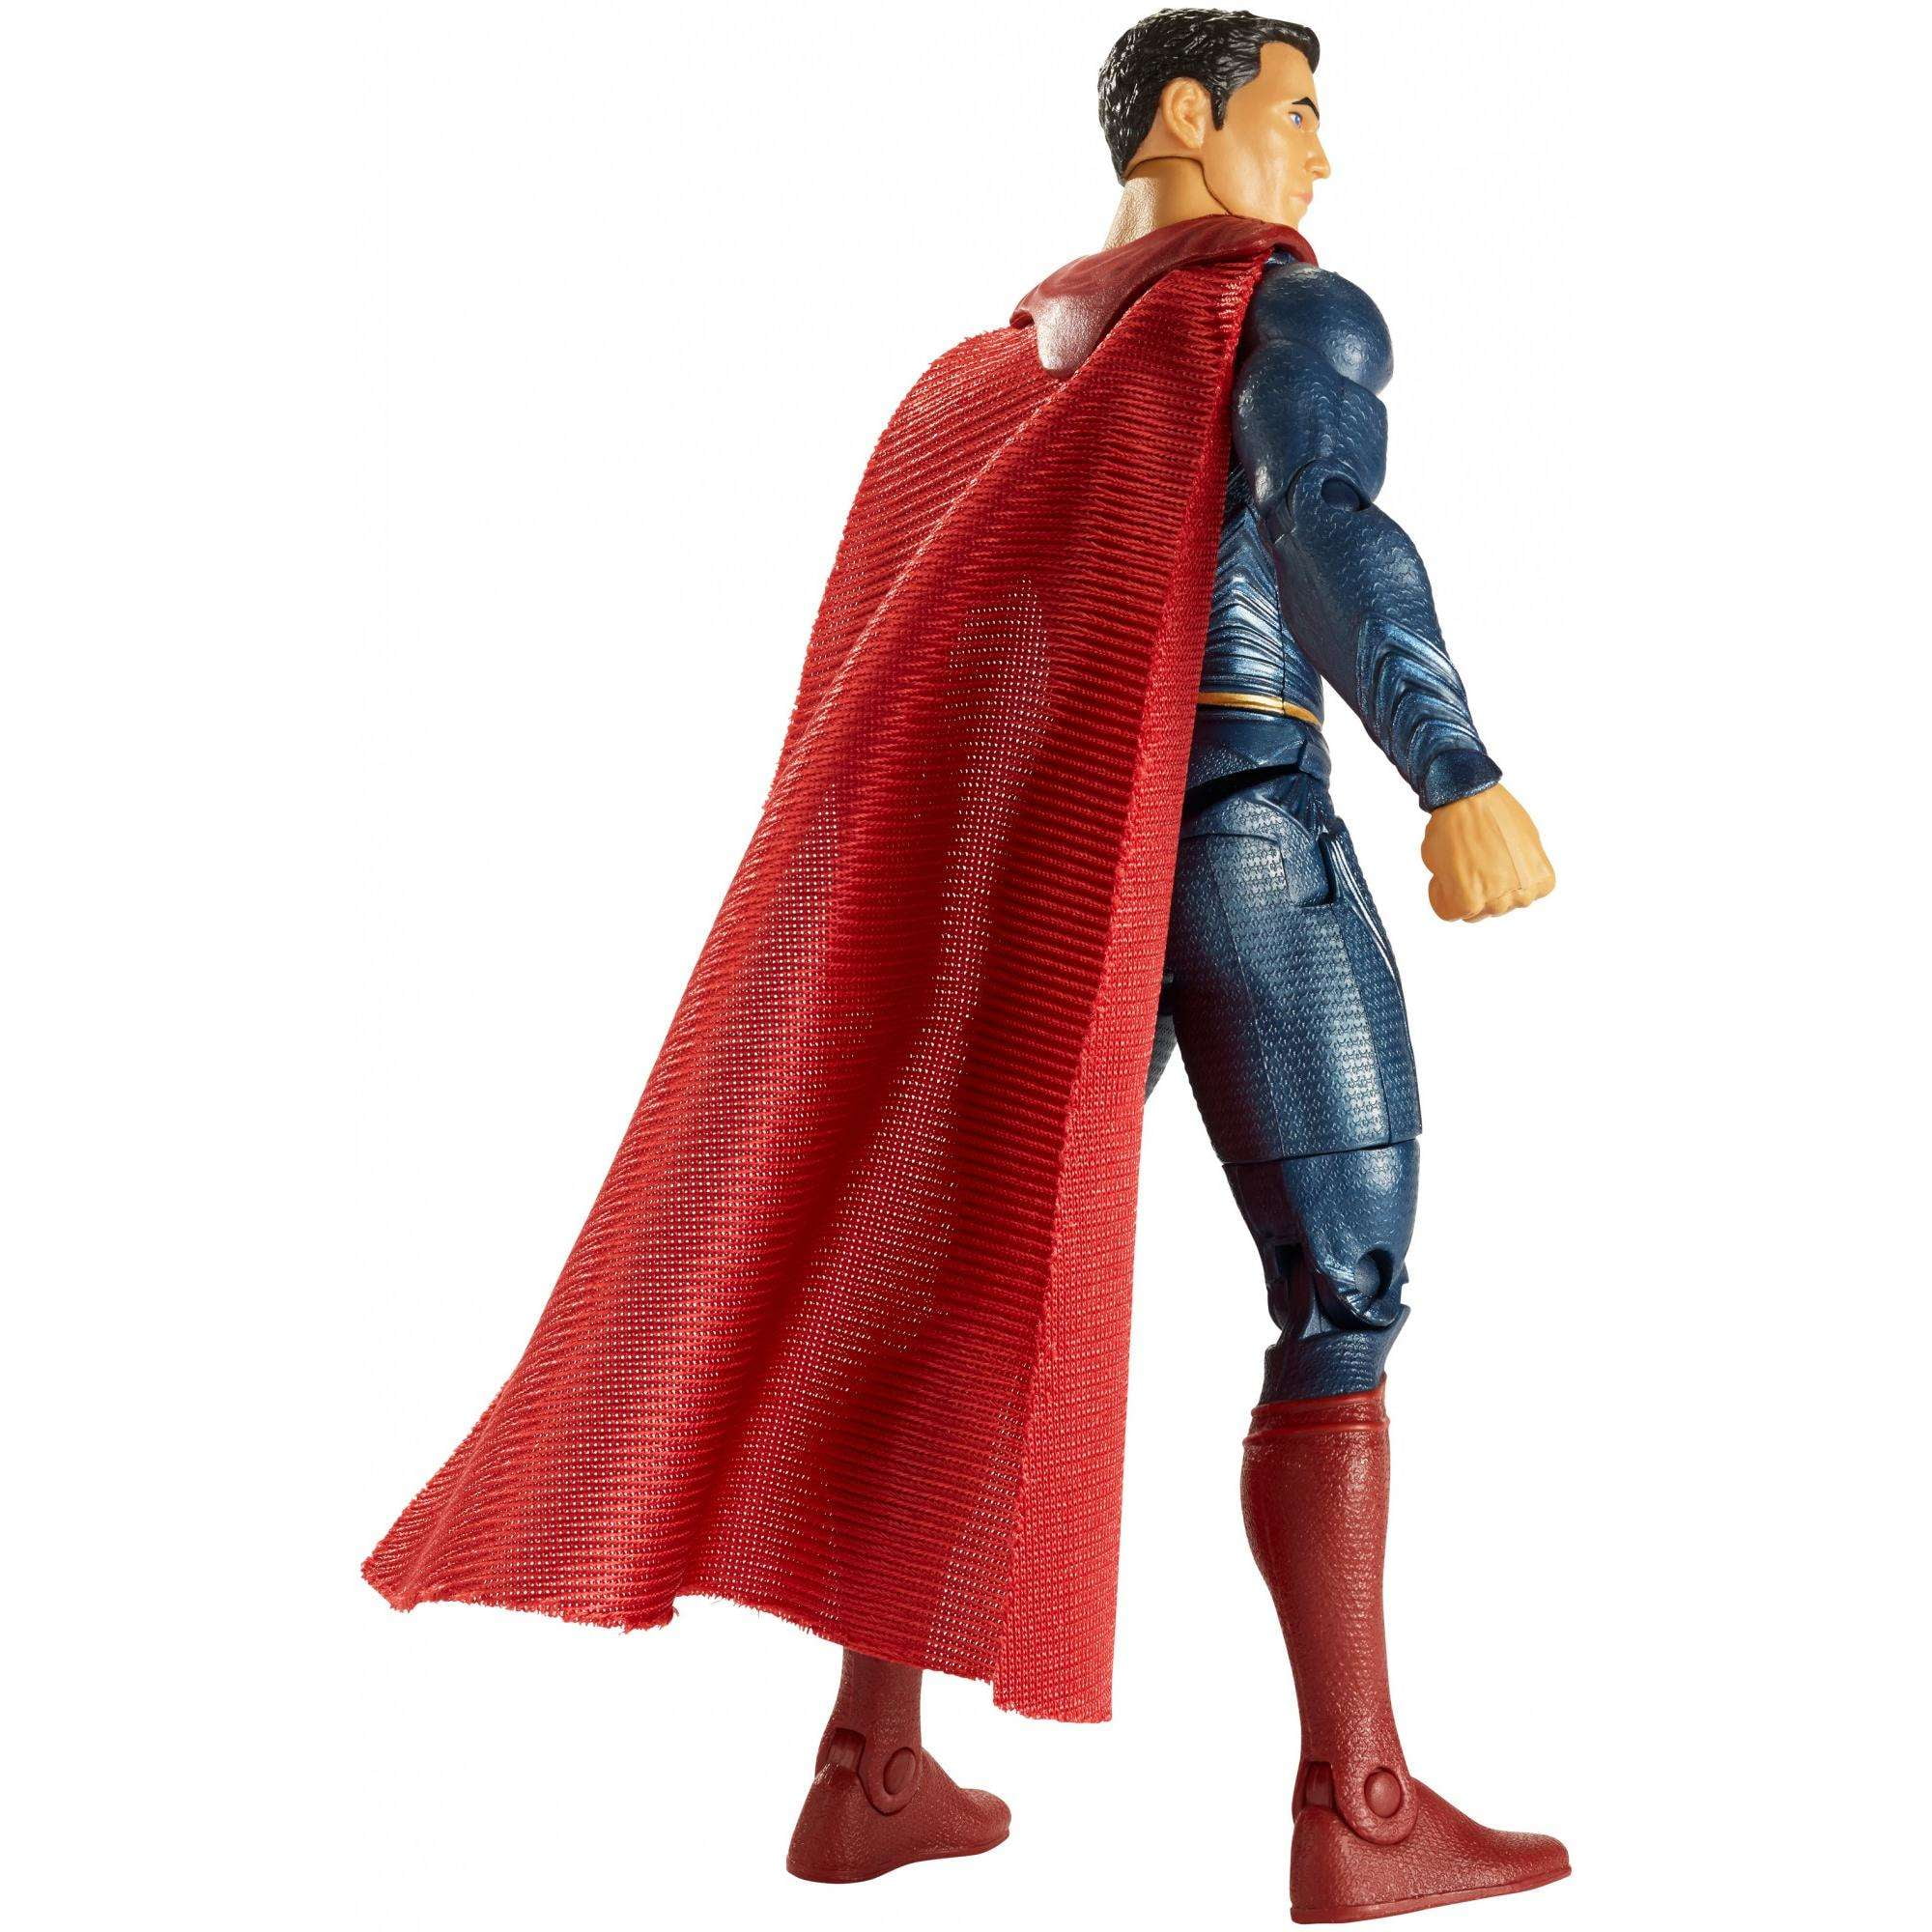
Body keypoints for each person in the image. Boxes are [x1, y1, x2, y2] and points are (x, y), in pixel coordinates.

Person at [368, 13, 1566, 1920]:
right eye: (1298, 114)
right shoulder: (1283, 312)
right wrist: (1457, 770)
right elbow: (1324, 523)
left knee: (961, 1274)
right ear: (1190, 119)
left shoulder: (983, 378)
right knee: (1344, 1282)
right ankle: (1357, 1804)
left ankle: (870, 1764)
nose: (1322, 160)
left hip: (1055, 867)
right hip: (1242, 827)